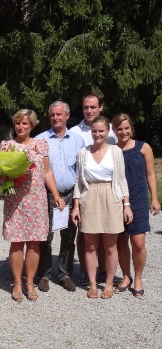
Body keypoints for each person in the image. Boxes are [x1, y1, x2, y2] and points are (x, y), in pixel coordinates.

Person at [0, 109, 64, 302]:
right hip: (15, 199)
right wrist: (2, 176)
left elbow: (47, 173)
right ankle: (17, 282)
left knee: (34, 242)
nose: (20, 126)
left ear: (32, 125)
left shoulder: (39, 145)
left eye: (25, 123)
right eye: (18, 123)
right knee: (17, 241)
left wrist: (57, 195)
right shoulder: (7, 146)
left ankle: (30, 282)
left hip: (36, 199)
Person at [71, 116, 133, 300]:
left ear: (108, 132)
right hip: (89, 197)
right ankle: (92, 284)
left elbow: (121, 179)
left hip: (111, 197)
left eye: (101, 131)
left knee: (110, 246)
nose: (97, 134)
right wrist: (75, 207)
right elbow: (78, 182)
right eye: (94, 131)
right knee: (90, 245)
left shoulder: (115, 151)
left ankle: (108, 282)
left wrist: (126, 205)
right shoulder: (83, 152)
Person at [35, 101, 85, 292]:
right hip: (47, 195)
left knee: (68, 235)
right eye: (53, 115)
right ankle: (44, 274)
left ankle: (64, 274)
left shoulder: (77, 140)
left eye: (59, 115)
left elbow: (81, 170)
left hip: (72, 194)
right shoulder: (41, 140)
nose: (56, 118)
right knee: (45, 237)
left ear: (67, 116)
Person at [70, 92, 116, 285]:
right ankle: (84, 269)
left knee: (107, 233)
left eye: (93, 107)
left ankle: (104, 270)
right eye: (85, 107)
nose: (89, 111)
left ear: (101, 108)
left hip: (108, 189)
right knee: (85, 233)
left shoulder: (112, 132)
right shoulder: (75, 132)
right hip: (85, 189)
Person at [112, 113, 160, 298]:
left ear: (131, 128)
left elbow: (150, 174)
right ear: (114, 131)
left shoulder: (143, 147)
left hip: (138, 198)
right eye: (119, 128)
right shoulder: (112, 150)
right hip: (117, 200)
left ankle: (138, 277)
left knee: (138, 243)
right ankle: (126, 276)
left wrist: (154, 198)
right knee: (121, 241)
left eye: (126, 128)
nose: (123, 131)